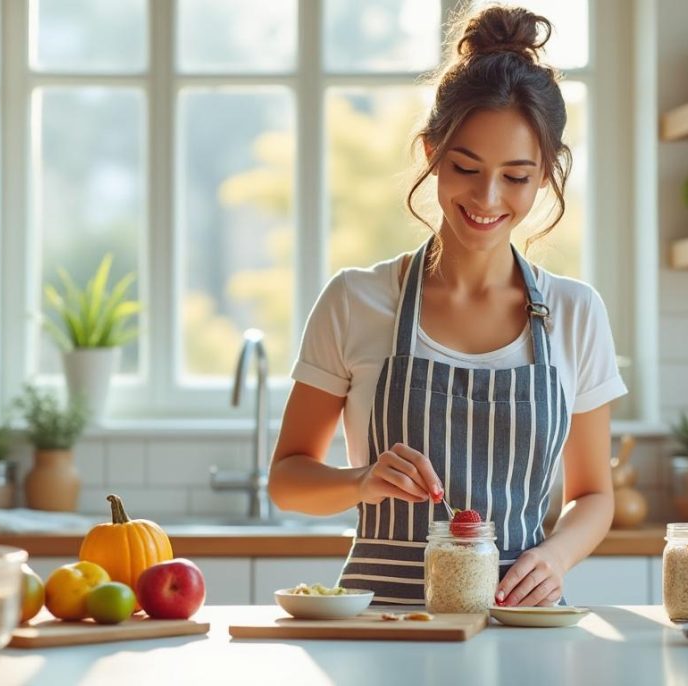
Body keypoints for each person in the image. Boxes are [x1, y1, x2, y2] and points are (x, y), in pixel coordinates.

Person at [266, 4, 628, 608]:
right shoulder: (355, 301)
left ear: (546, 176)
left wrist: (555, 555)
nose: (487, 198)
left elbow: (594, 494)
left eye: (516, 176)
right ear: (432, 151)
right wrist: (360, 481)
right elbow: (287, 481)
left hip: (520, 627)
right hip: (384, 629)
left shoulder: (576, 312)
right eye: (465, 167)